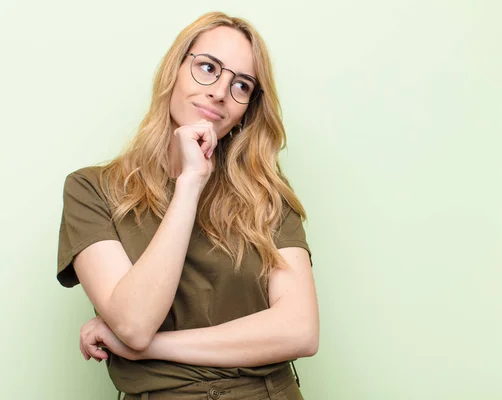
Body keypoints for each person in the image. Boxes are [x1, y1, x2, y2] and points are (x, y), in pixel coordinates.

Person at [56, 11, 319, 400]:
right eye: (208, 67)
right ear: (174, 70)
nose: (219, 92)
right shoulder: (91, 190)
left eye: (241, 85)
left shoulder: (267, 195)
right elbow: (134, 323)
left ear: (248, 108)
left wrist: (150, 348)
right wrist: (189, 184)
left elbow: (300, 330)